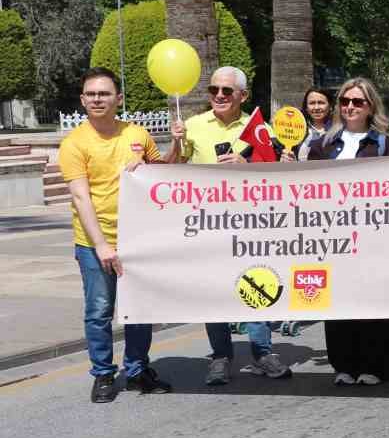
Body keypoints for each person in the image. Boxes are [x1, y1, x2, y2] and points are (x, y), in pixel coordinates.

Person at [62, 68, 176, 402]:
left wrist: (177, 143)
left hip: (137, 240)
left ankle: (138, 370)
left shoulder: (137, 134)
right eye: (91, 94)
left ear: (119, 98)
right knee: (99, 311)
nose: (97, 99)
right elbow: (81, 197)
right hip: (94, 243)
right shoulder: (74, 143)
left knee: (139, 309)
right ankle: (103, 374)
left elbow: (165, 174)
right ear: (83, 100)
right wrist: (101, 245)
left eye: (104, 93)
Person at [171, 66, 290, 384]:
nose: (219, 95)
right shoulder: (193, 125)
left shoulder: (259, 128)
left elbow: (275, 178)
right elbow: (173, 170)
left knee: (256, 286)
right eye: (214, 90)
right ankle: (221, 356)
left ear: (243, 95)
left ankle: (262, 353)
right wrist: (175, 144)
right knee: (213, 292)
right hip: (207, 226)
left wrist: (247, 164)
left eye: (227, 91)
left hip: (249, 226)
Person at [302, 77, 389, 385]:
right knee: (338, 302)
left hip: (374, 237)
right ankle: (343, 365)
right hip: (333, 239)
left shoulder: (385, 145)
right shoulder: (322, 146)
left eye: (358, 101)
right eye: (345, 101)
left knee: (374, 301)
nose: (350, 107)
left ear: (371, 106)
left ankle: (374, 366)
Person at [294, 87, 334, 160]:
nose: (316, 107)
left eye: (321, 103)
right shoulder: (297, 129)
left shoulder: (338, 131)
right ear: (306, 107)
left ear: (330, 106)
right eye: (312, 103)